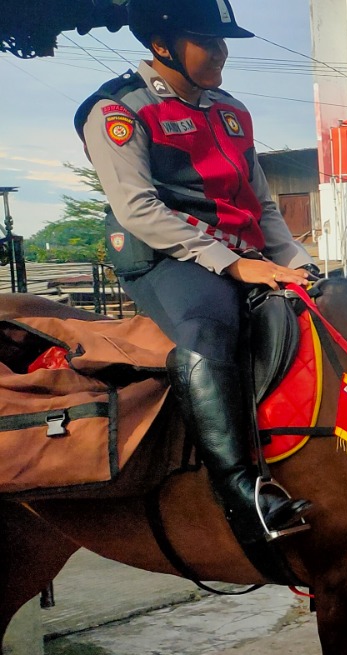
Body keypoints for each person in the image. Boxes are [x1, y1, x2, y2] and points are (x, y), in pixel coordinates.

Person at [76, 0, 313, 545]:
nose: (221, 52)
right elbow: (138, 208)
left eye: (222, 41)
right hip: (165, 256)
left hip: (245, 253)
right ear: (162, 46)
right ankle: (239, 490)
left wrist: (300, 265)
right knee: (210, 324)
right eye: (207, 41)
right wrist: (233, 265)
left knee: (325, 309)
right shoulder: (117, 110)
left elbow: (262, 205)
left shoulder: (231, 111)